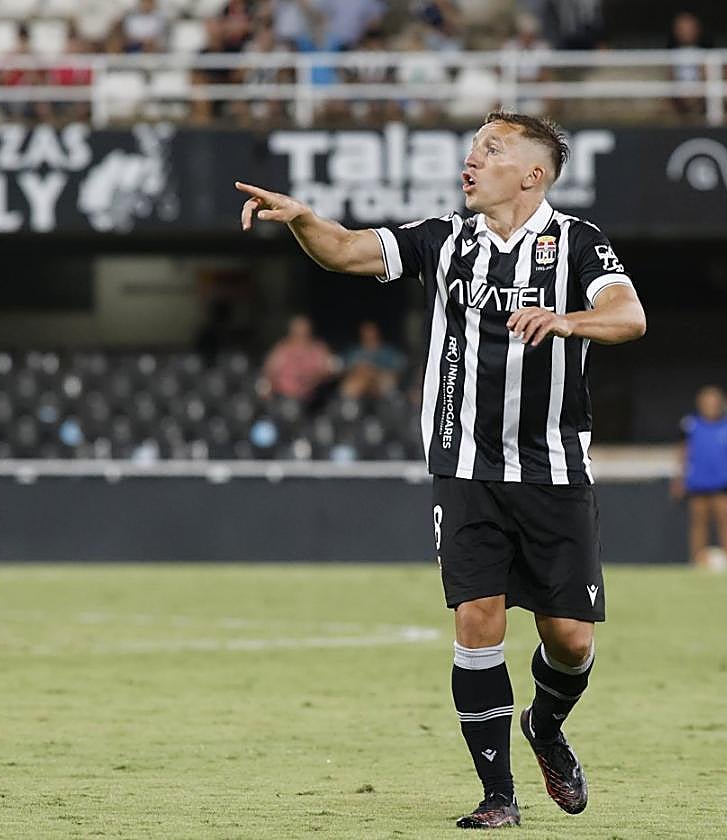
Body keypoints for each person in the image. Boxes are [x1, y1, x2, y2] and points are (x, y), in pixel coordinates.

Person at [236, 110, 646, 829]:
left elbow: (629, 316)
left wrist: (567, 320)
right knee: (477, 620)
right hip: (464, 467)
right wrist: (303, 219)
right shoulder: (446, 238)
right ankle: (498, 797)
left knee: (572, 641)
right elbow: (346, 251)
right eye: (472, 147)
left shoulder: (578, 243)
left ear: (532, 174)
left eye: (491, 149)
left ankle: (545, 728)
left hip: (553, 471)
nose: (472, 159)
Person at [672, 386, 727, 568]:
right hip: (697, 482)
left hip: (723, 483)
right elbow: (683, 452)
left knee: (726, 524)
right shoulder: (690, 424)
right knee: (698, 524)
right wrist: (679, 478)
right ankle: (695, 562)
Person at [259, 315, 339, 408]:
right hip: (283, 400)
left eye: (305, 332)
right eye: (297, 333)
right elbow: (267, 373)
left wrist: (317, 376)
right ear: (291, 333)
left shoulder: (319, 349)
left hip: (313, 401)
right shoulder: (281, 349)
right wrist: (266, 392)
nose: (301, 336)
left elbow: (333, 369)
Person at [341, 320, 406, 399]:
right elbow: (345, 367)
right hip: (361, 382)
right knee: (352, 384)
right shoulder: (356, 352)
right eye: (366, 332)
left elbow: (400, 367)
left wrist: (374, 371)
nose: (369, 335)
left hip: (381, 381)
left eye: (371, 331)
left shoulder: (387, 352)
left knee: (387, 382)